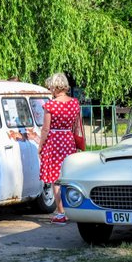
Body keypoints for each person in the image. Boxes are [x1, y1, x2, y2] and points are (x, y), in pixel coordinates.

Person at [37, 72, 81, 226]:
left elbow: (45, 129)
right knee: (67, 176)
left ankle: (61, 213)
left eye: (50, 86)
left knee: (56, 179)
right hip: (68, 140)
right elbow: (76, 127)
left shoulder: (51, 105)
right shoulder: (74, 103)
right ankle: (71, 210)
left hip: (54, 142)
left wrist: (40, 146)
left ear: (55, 87)